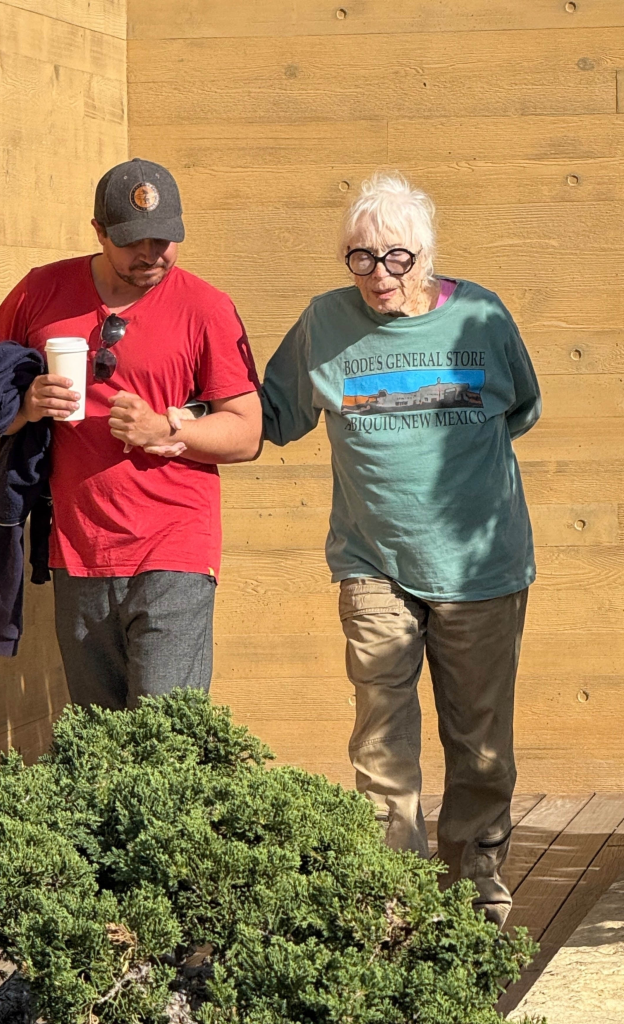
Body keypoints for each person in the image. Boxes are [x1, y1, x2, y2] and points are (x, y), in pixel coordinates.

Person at [260, 173, 541, 927]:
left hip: (480, 568)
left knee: (480, 745)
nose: (380, 275)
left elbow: (519, 406)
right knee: (381, 745)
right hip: (372, 563)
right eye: (361, 258)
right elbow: (273, 414)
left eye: (397, 258)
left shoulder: (480, 313)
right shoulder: (324, 323)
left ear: (428, 255)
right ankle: (398, 906)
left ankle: (477, 893)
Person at [0, 158, 261, 710]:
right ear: (99, 232)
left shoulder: (206, 307)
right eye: (133, 241)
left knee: (164, 739)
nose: (151, 254)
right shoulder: (41, 291)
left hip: (175, 547)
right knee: (97, 744)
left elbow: (248, 433)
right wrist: (27, 405)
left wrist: (168, 426)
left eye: (165, 239)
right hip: (77, 550)